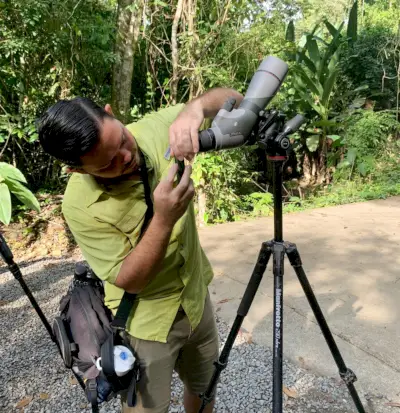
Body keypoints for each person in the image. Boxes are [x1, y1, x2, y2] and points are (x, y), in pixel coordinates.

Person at [37, 88, 243, 413]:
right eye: (107, 164)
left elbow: (235, 98)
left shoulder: (155, 129)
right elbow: (129, 279)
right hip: (146, 325)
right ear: (77, 171)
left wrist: (196, 108)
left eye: (121, 140)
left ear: (112, 112)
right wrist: (163, 220)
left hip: (195, 301)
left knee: (204, 392)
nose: (125, 158)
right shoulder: (79, 206)